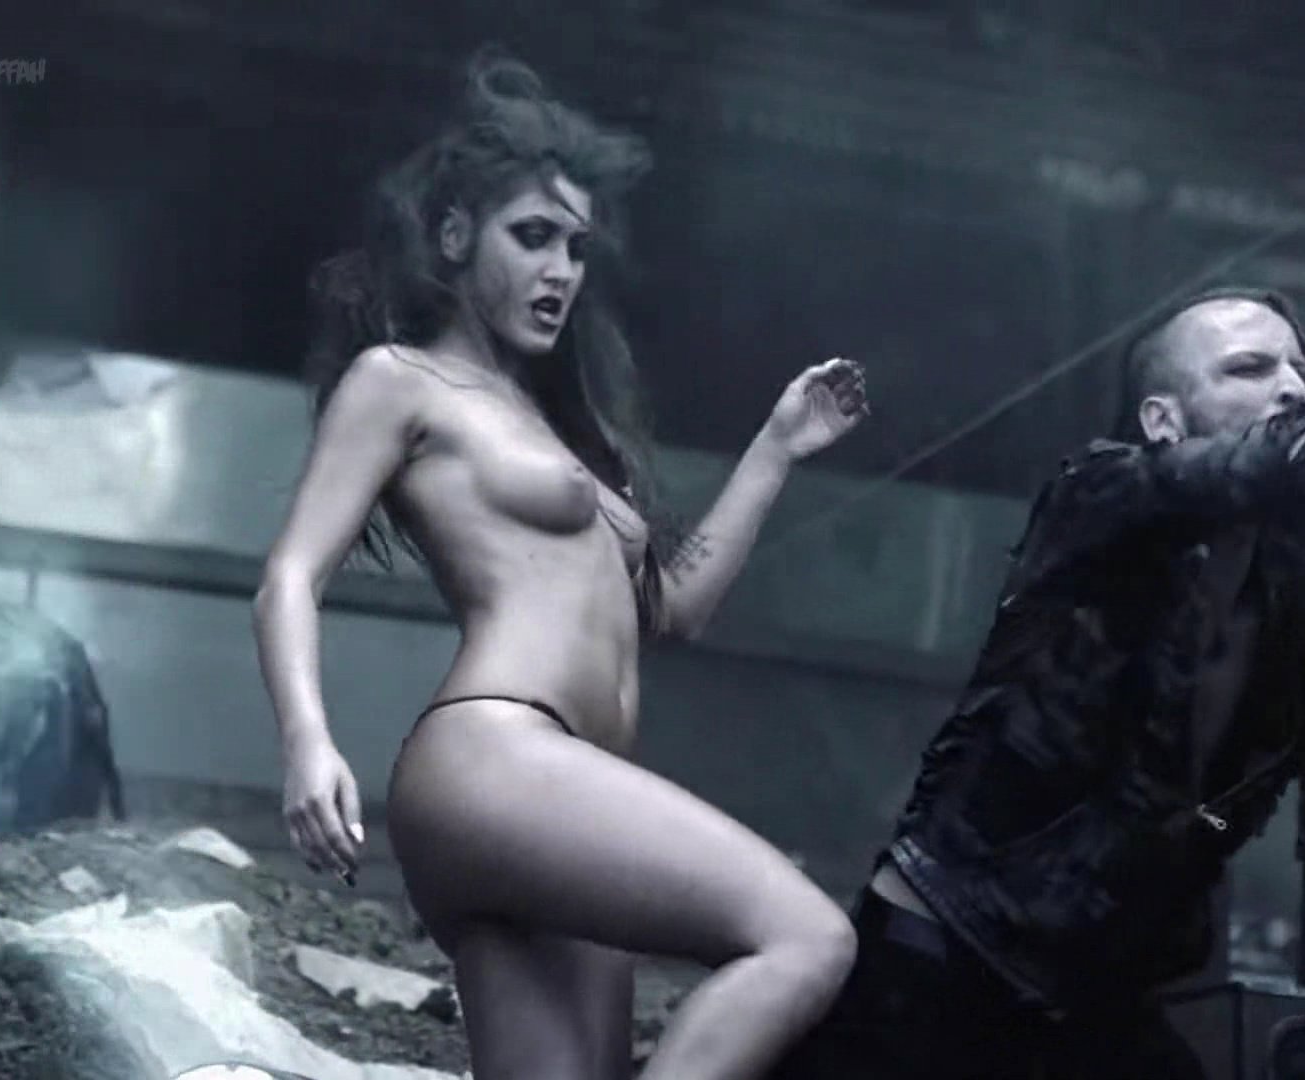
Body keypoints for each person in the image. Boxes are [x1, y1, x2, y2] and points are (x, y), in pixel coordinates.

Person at [771, 287, 1305, 1079]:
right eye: (1249, 369)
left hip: (1095, 1001)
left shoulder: (1291, 598)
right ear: (1163, 420)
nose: (1292, 389)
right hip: (943, 951)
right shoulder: (1101, 492)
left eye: (1300, 372)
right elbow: (1246, 466)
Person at [253, 50, 868, 1080]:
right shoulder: (402, 381)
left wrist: (775, 448)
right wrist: (307, 744)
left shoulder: (562, 429)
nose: (561, 271)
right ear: (456, 236)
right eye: (533, 236)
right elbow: (289, 577)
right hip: (495, 762)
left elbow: (674, 611)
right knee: (809, 938)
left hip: (561, 795)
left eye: (577, 248)